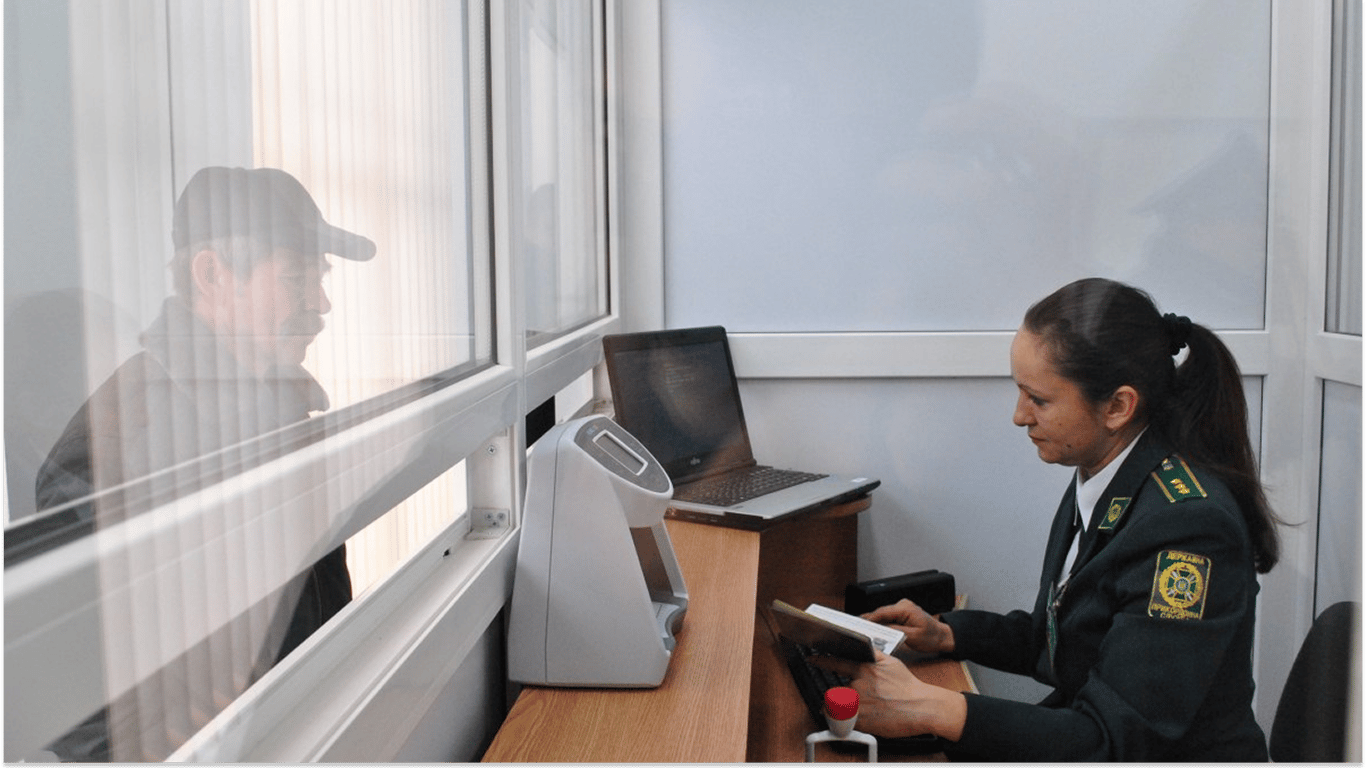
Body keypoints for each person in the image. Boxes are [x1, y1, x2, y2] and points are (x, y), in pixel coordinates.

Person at [818, 277, 1281, 762]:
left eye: (1037, 399)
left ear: (1118, 407)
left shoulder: (1187, 529)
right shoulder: (1106, 473)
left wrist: (932, 708)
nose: (1020, 416)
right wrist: (948, 634)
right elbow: (1074, 636)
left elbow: (1115, 743)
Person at [34, 166, 375, 760]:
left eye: (318, 276)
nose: (322, 303)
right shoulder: (115, 446)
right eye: (295, 277)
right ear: (212, 275)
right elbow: (86, 721)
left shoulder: (282, 413)